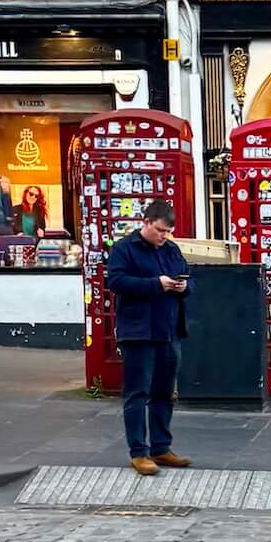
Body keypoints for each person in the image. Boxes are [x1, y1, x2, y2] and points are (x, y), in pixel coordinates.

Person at [105, 198, 194, 477]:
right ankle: (139, 453)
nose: (164, 236)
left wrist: (183, 286)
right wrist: (156, 284)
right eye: (160, 230)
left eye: (168, 232)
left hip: (169, 331)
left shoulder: (171, 249)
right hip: (138, 332)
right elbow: (115, 282)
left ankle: (160, 447)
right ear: (145, 223)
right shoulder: (124, 249)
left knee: (164, 394)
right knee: (138, 393)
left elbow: (191, 279)